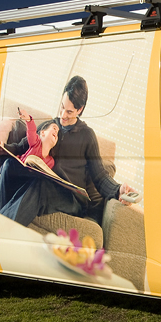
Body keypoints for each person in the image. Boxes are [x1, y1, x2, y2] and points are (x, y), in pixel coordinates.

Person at [51, 75, 137, 225]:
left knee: (37, 190)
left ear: (80, 109)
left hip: (71, 199)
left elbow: (100, 177)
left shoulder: (87, 136)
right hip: (49, 188)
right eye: (62, 107)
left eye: (69, 112)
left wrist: (119, 190)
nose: (63, 115)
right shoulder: (51, 126)